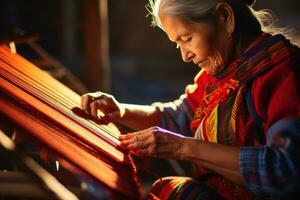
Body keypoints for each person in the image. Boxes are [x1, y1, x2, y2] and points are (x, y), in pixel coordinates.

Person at [81, 0, 300, 199]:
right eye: (178, 44)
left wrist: (184, 148)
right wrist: (121, 111)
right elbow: (180, 117)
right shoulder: (219, 74)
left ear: (225, 17)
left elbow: (287, 171)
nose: (185, 55)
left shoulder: (284, 74)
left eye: (186, 39)